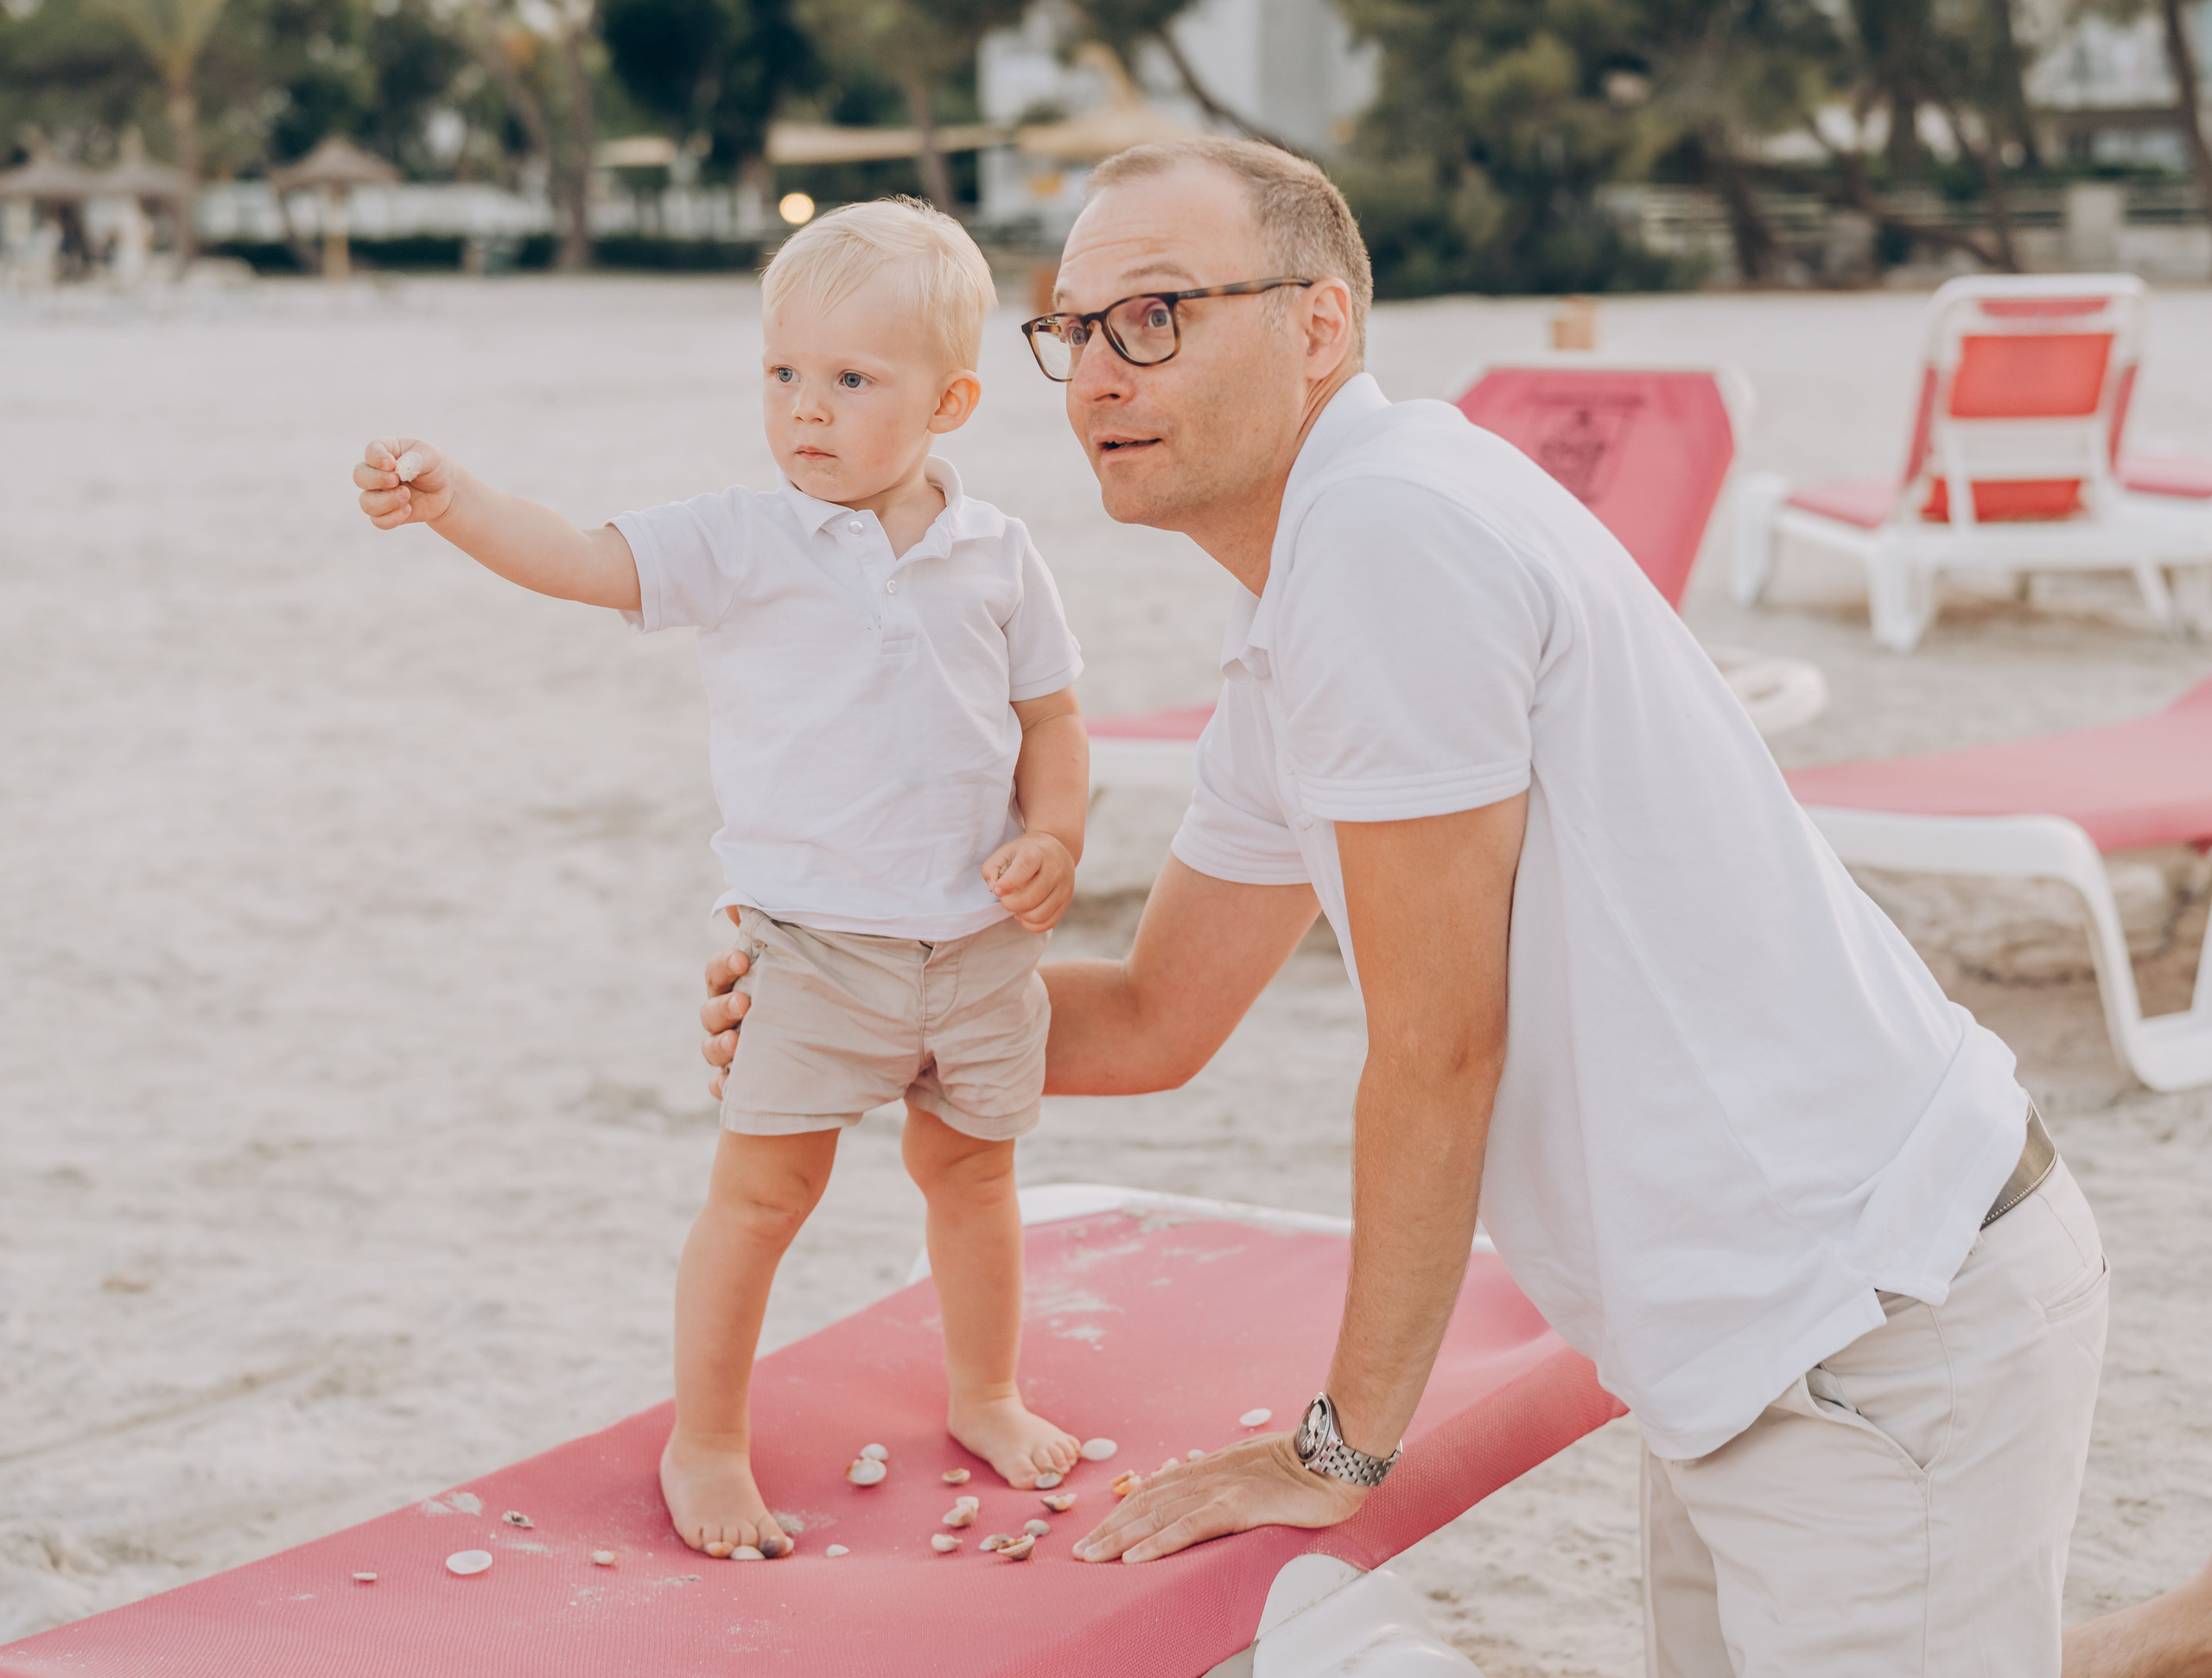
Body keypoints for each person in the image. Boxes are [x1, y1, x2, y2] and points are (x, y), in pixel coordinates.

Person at [701, 144, 2211, 1675]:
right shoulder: (1301, 586)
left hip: (1875, 1316)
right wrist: (848, 1011)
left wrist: (1339, 1449)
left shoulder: (1385, 536)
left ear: (1318, 324)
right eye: (1074, 329)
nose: (1098, 371)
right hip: (1766, 1329)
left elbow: (1439, 1052)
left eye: (1154, 314)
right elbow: (1158, 1018)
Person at [353, 197, 1092, 1561]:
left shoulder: (1000, 553)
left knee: (974, 1179)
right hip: (811, 951)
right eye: (783, 374)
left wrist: (1056, 837)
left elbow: (1051, 721)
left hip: (981, 946)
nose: (806, 410)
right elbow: (580, 558)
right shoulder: (741, 539)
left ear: (955, 399)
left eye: (852, 381)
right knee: (761, 1196)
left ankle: (986, 1389)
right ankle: (704, 1440)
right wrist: (459, 504)